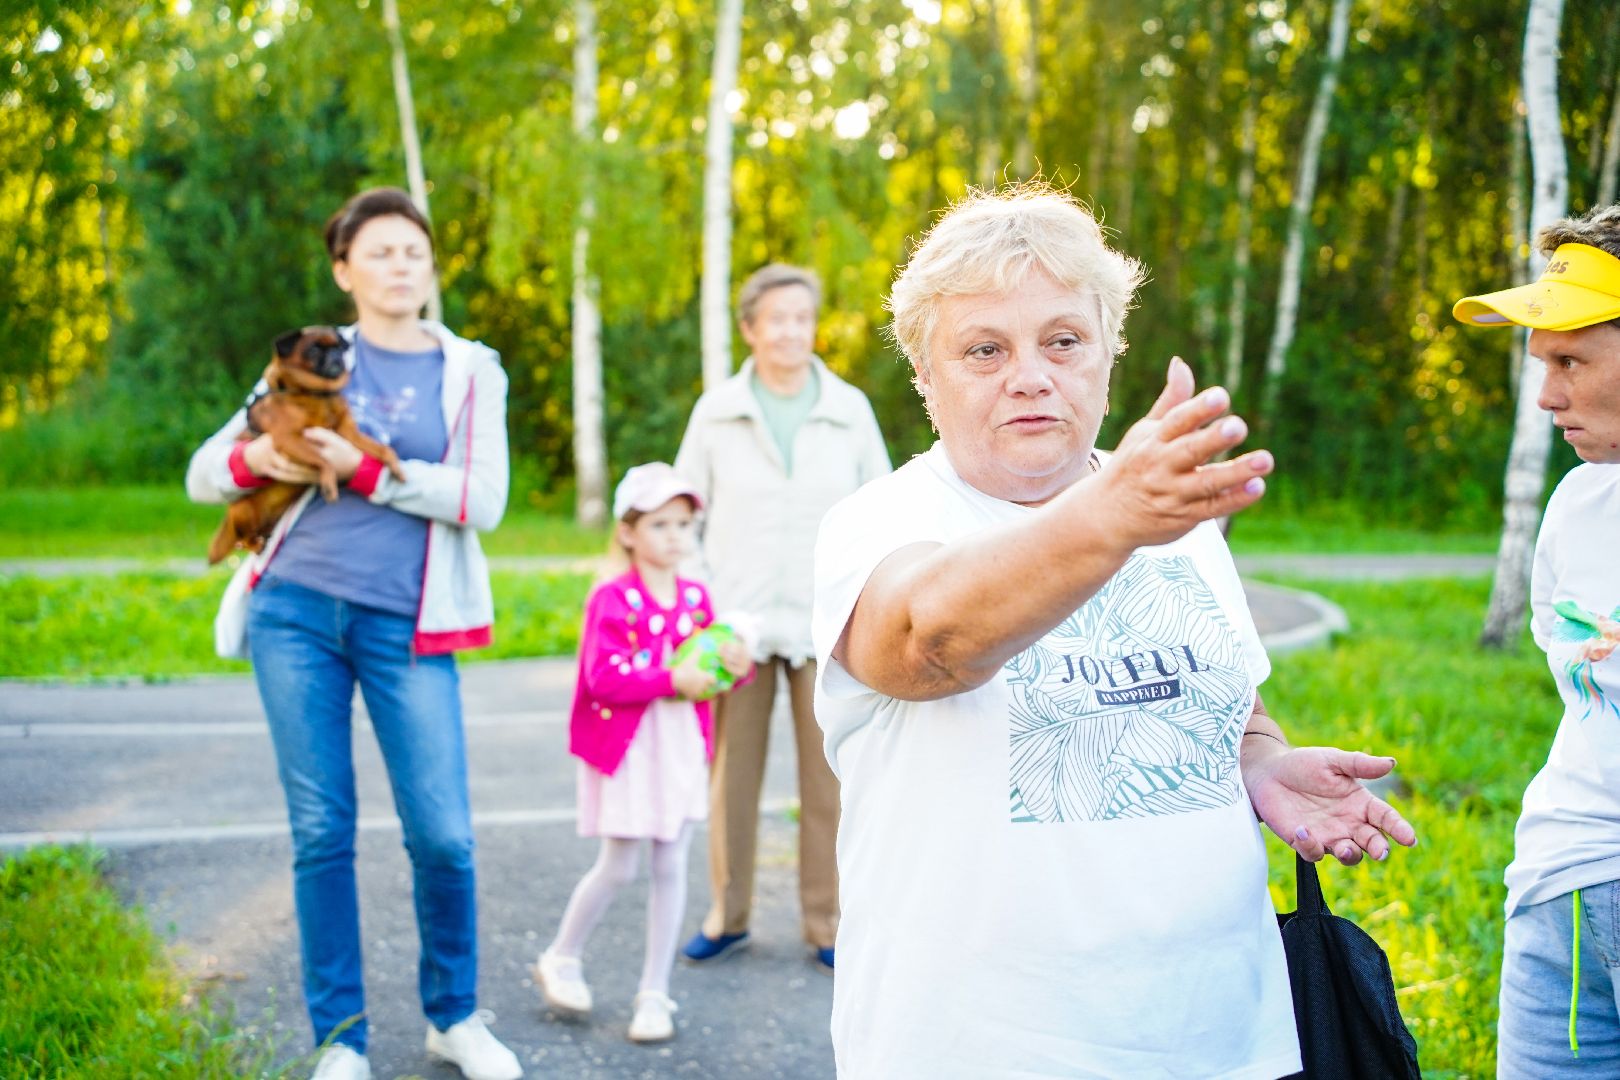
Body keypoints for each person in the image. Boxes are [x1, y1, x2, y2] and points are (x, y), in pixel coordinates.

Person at [809, 183, 1418, 1079]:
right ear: (925, 375)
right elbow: (926, 640)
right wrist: (1115, 515)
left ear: (1107, 353)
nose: (1031, 374)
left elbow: (1233, 709)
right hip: (985, 1048)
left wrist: (1260, 766)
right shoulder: (882, 521)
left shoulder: (1175, 515)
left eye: (1063, 340)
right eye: (985, 349)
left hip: (1226, 1035)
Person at [185, 188, 520, 1080]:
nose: (400, 264)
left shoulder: (468, 371)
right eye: (379, 252)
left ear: (429, 265)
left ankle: (453, 1017)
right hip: (292, 613)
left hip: (407, 622)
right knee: (322, 830)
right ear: (345, 270)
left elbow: (482, 500)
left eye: (414, 250)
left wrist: (366, 473)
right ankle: (342, 1041)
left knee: (443, 833)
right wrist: (258, 460)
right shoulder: (302, 360)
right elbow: (201, 473)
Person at [674, 263, 891, 969]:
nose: (792, 331)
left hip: (826, 627)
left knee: (826, 781)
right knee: (731, 777)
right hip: (734, 629)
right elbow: (686, 519)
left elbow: (880, 517)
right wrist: (705, 615)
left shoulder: (849, 408)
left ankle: (826, 924)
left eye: (803, 317)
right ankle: (727, 913)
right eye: (777, 318)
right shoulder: (716, 411)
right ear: (750, 328)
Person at [1453, 205, 1620, 1077]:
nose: (1549, 395)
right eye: (1541, 365)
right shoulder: (1578, 503)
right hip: (1561, 886)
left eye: (1570, 362)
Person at [532, 462, 752, 1043]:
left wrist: (736, 669)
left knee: (671, 865)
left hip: (678, 747)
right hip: (629, 750)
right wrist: (668, 679)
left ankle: (655, 994)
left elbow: (708, 670)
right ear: (628, 532)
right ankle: (562, 955)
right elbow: (602, 678)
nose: (676, 535)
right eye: (660, 524)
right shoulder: (613, 598)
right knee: (620, 864)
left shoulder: (696, 597)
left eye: (684, 523)